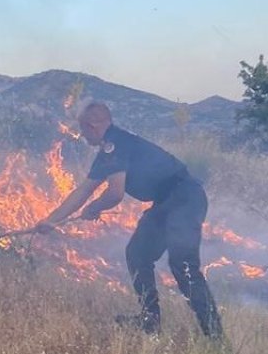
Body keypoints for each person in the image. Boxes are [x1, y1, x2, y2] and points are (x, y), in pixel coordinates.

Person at [33, 101, 223, 338]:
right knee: (138, 253)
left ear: (92, 126)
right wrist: (50, 221)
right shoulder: (110, 149)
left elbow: (114, 193)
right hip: (166, 202)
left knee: (183, 267)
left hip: (184, 198)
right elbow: (83, 190)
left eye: (82, 129)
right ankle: (149, 321)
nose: (82, 135)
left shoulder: (115, 145)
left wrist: (95, 207)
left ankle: (216, 336)